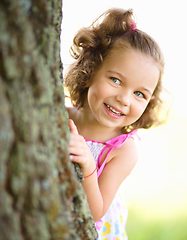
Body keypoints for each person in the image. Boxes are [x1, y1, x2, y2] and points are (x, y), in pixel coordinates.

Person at [64, 8, 165, 240]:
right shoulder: (60, 117)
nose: (124, 99)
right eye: (116, 80)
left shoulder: (122, 149)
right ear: (90, 70)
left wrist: (89, 168)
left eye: (140, 93)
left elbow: (94, 212)